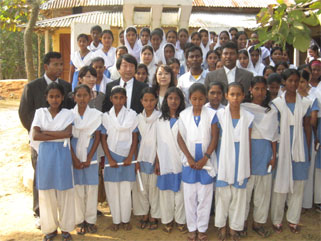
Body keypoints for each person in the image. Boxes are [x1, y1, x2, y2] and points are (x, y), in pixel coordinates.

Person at [19, 52, 71, 229]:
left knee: (60, 178)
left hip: (61, 146)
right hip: (39, 144)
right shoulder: (32, 87)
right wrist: (40, 137)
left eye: (61, 64)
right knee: (41, 177)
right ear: (46, 66)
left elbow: (69, 114)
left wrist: (54, 134)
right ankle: (40, 213)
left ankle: (60, 217)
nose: (59, 68)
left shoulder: (66, 86)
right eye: (56, 64)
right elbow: (25, 115)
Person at [30, 82, 74, 241]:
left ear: (62, 98)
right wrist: (58, 134)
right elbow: (35, 136)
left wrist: (46, 132)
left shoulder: (68, 113)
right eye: (51, 96)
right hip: (46, 156)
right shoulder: (40, 113)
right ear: (46, 98)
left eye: (57, 96)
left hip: (62, 155)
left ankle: (67, 229)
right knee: (46, 193)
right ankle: (49, 229)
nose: (54, 99)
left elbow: (68, 134)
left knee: (65, 193)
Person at [271, 69, 312, 234]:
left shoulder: (306, 103)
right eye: (290, 81)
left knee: (299, 184)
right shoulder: (276, 104)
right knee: (280, 184)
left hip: (300, 148)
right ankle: (276, 219)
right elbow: (273, 129)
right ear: (284, 82)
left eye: (297, 81)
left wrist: (307, 149)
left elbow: (307, 126)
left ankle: (293, 219)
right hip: (283, 146)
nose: (294, 84)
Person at [177, 83, 219, 241]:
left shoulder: (211, 114)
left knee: (205, 197)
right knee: (189, 197)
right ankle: (192, 228)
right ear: (189, 99)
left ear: (205, 98)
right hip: (189, 163)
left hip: (205, 162)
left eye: (201, 98)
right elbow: (180, 138)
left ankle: (202, 228)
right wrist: (188, 157)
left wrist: (205, 157)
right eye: (194, 98)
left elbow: (215, 137)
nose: (197, 102)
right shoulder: (184, 115)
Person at [215, 82, 254, 241]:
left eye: (238, 94)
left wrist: (248, 164)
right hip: (224, 159)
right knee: (223, 196)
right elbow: (215, 139)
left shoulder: (249, 117)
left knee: (238, 197)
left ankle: (233, 229)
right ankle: (222, 227)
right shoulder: (219, 115)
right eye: (232, 94)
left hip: (241, 158)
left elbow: (249, 141)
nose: (235, 98)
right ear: (226, 96)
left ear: (244, 96)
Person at [241, 77, 278, 238]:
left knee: (263, 192)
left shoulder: (272, 111)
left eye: (263, 89)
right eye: (257, 88)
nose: (260, 92)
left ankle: (258, 223)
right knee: (245, 192)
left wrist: (274, 156)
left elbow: (274, 136)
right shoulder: (243, 108)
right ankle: (241, 223)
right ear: (250, 89)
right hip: (248, 152)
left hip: (265, 153)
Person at [101, 86, 138, 231]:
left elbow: (135, 137)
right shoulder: (106, 117)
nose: (118, 100)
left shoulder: (132, 115)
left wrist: (130, 156)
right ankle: (116, 221)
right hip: (111, 155)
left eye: (121, 97)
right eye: (115, 97)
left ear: (126, 99)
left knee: (125, 190)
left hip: (128, 155)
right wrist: (109, 158)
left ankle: (125, 220)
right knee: (112, 190)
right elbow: (103, 139)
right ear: (111, 99)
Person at [70, 84, 102, 235]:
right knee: (77, 188)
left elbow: (97, 137)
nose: (82, 99)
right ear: (74, 97)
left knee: (91, 187)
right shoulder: (69, 115)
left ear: (90, 97)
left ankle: (90, 220)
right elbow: (67, 138)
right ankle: (79, 219)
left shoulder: (96, 115)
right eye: (79, 95)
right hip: (74, 152)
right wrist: (74, 158)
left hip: (90, 151)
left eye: (85, 95)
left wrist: (89, 157)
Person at [155, 87, 186, 233]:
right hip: (165, 161)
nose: (173, 101)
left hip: (181, 161)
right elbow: (157, 142)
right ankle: (167, 220)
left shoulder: (185, 118)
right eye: (170, 98)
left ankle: (181, 220)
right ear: (166, 100)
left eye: (177, 98)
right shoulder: (159, 120)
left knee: (180, 194)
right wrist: (157, 161)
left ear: (181, 101)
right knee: (166, 192)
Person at [132, 87, 161, 230]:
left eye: (152, 100)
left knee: (154, 188)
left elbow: (161, 142)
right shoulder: (138, 118)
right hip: (141, 157)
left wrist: (158, 160)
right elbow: (135, 140)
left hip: (155, 157)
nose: (149, 103)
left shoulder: (160, 118)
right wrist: (136, 160)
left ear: (156, 101)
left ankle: (154, 215)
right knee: (141, 188)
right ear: (141, 101)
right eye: (146, 100)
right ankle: (144, 213)